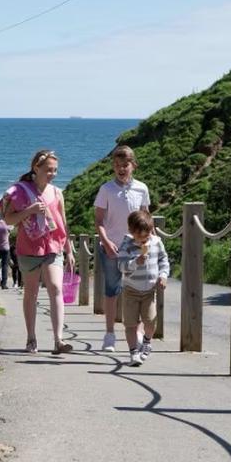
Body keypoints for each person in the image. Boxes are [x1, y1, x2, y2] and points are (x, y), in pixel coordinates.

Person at [1, 150, 76, 354]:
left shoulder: (57, 192)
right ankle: (31, 338)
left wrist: (69, 249)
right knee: (31, 293)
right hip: (28, 248)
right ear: (36, 168)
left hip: (53, 246)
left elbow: (63, 223)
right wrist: (29, 210)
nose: (52, 174)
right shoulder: (20, 191)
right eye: (48, 170)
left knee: (55, 288)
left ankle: (58, 340)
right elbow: (8, 219)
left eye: (55, 170)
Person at [94, 145, 151, 352]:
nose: (121, 169)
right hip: (111, 247)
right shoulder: (106, 189)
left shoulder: (142, 188)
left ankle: (136, 331)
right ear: (113, 166)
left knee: (138, 290)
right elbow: (99, 220)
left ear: (133, 165)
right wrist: (106, 242)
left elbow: (145, 218)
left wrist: (148, 242)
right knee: (112, 291)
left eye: (125, 165)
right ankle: (109, 334)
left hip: (135, 247)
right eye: (117, 165)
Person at [117, 210, 169, 366]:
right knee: (130, 324)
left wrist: (163, 275)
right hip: (131, 290)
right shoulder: (126, 244)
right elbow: (121, 266)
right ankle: (133, 352)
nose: (143, 240)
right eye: (139, 237)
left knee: (150, 321)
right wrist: (135, 262)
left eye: (146, 236)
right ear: (132, 232)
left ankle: (147, 341)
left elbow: (163, 260)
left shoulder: (156, 242)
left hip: (149, 290)